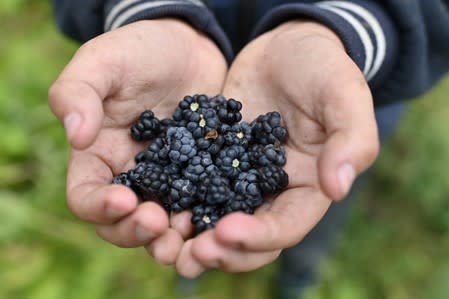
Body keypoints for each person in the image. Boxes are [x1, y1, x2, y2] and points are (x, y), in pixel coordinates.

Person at [48, 1, 449, 298]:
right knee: (197, 231)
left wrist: (352, 31)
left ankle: (298, 277)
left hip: (335, 102)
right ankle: (196, 266)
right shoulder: (192, 146)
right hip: (185, 49)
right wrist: (149, 10)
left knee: (325, 195)